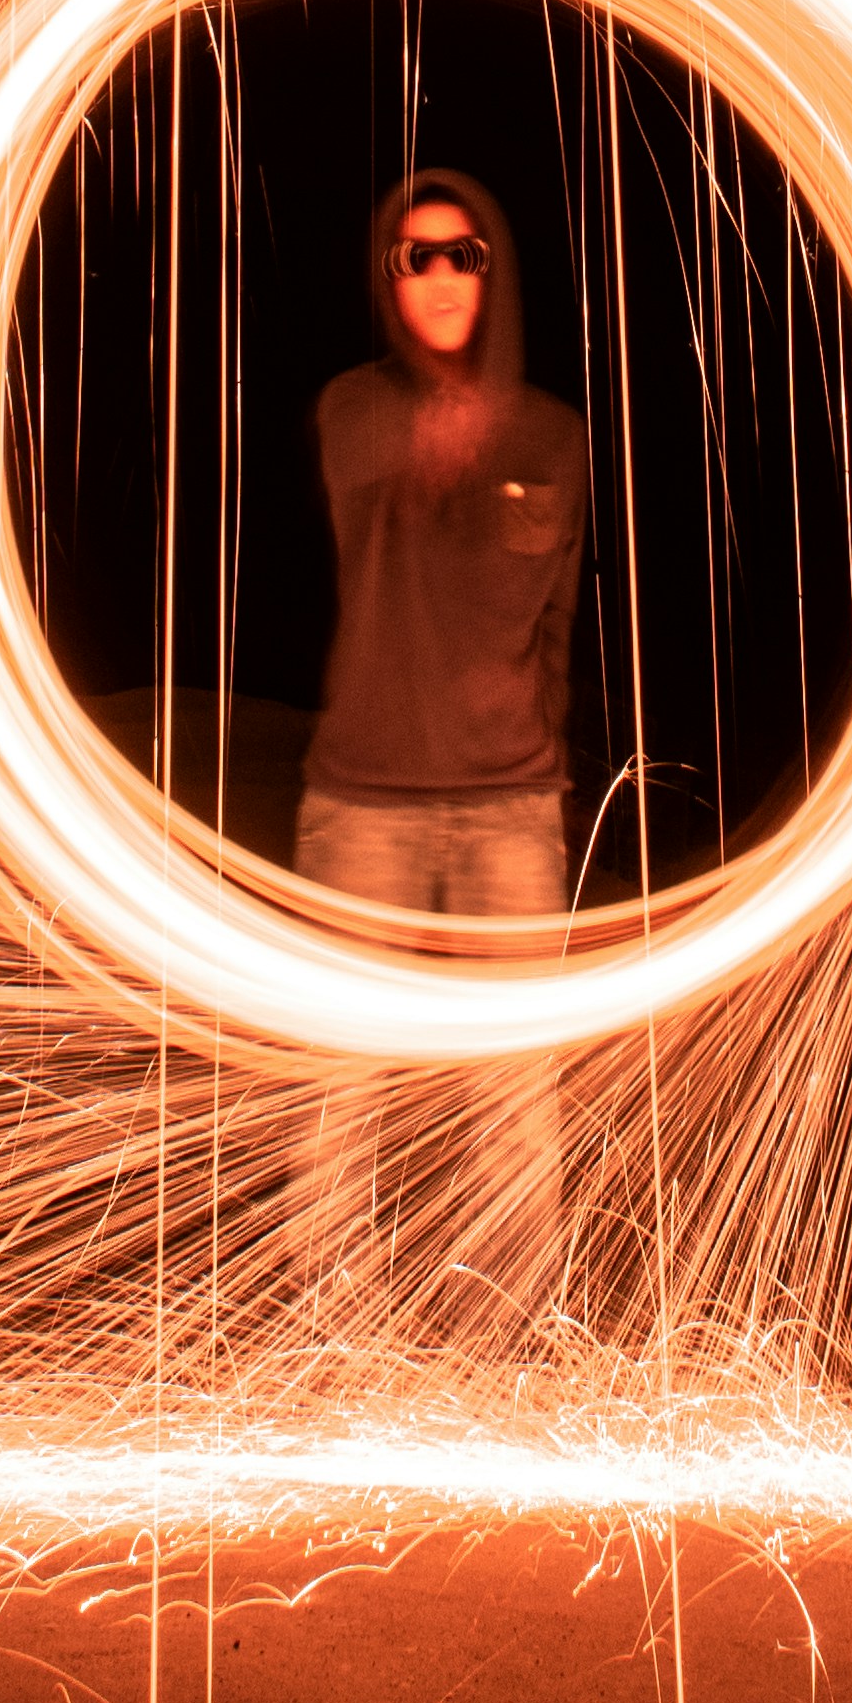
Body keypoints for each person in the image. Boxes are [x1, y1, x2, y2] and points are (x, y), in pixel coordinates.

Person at [290, 165, 592, 1324]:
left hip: (510, 804)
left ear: (491, 268)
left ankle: (499, 1356)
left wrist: (537, 746)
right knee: (340, 1088)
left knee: (514, 1102)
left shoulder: (553, 433)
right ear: (388, 278)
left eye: (462, 251)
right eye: (415, 254)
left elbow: (557, 614)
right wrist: (472, 408)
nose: (441, 273)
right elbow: (410, 455)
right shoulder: (352, 409)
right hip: (363, 802)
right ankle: (338, 1345)